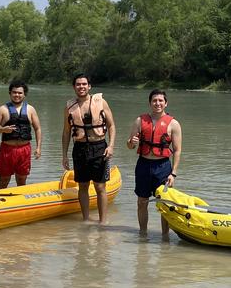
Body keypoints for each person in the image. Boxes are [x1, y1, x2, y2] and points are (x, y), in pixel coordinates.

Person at [126, 89, 182, 236]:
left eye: (160, 101)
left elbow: (177, 150)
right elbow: (130, 146)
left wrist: (173, 174)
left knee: (164, 203)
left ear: (166, 103)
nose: (157, 103)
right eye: (154, 101)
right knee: (142, 202)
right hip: (143, 165)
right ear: (150, 103)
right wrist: (132, 142)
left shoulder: (174, 124)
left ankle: (165, 236)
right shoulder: (140, 121)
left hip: (163, 166)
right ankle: (143, 233)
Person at [61, 73, 116, 222]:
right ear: (74, 87)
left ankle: (102, 222)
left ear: (89, 86)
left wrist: (110, 146)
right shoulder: (69, 107)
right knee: (83, 185)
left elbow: (111, 125)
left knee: (100, 187)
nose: (81, 87)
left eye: (84, 84)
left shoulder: (101, 102)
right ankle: (85, 220)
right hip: (79, 148)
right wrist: (64, 155)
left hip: (99, 147)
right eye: (78, 84)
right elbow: (66, 132)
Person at [0, 80, 41, 188]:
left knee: (22, 181)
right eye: (14, 92)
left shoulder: (31, 109)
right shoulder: (2, 109)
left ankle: (21, 202)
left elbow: (37, 128)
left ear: (24, 94)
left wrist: (38, 148)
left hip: (24, 150)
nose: (17, 95)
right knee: (4, 180)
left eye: (20, 93)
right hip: (7, 150)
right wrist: (3, 129)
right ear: (10, 93)